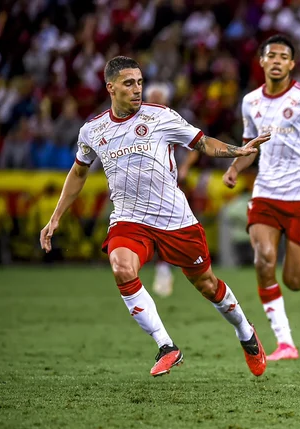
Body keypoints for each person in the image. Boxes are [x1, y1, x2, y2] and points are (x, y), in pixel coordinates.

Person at [40, 56, 270, 378]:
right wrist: (55, 217)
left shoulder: (161, 117)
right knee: (121, 266)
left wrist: (238, 150)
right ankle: (166, 346)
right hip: (129, 219)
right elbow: (78, 172)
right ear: (111, 87)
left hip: (175, 219)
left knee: (206, 284)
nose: (137, 89)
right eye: (129, 83)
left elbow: (202, 143)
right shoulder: (93, 130)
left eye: (139, 82)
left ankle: (246, 333)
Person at [224, 35, 300, 361]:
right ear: (261, 62)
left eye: (283, 56)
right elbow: (252, 144)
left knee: (295, 281)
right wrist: (236, 166)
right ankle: (286, 344)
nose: (277, 60)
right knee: (263, 259)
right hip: (264, 193)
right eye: (271, 55)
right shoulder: (250, 102)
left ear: (292, 64)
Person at [143, 82, 177, 298]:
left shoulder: (172, 119)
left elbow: (194, 144)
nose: (155, 101)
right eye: (152, 97)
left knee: (167, 229)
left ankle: (166, 267)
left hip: (167, 182)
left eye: (158, 97)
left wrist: (183, 166)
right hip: (140, 183)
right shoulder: (136, 120)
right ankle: (160, 268)